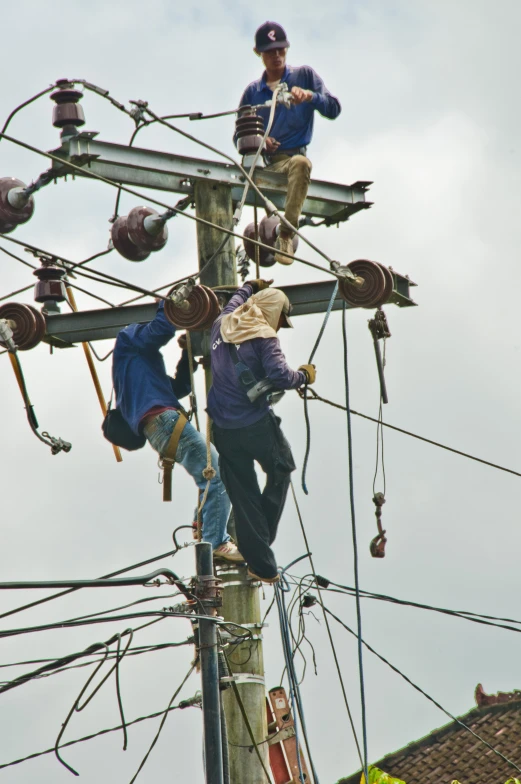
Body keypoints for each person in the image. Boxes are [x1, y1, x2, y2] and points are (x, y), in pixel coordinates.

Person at [112, 299, 242, 562]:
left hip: (161, 426)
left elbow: (180, 386)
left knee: (213, 475)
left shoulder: (141, 373)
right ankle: (217, 541)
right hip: (164, 421)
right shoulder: (129, 337)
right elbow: (160, 329)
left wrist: (187, 352)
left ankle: (204, 526)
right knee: (219, 475)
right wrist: (170, 305)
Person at [207, 279, 316, 583]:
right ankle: (259, 547)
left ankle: (261, 563)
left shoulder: (222, 324)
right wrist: (303, 377)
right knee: (281, 467)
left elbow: (234, 302)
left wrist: (248, 287)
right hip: (254, 425)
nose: (279, 325)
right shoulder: (264, 336)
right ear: (272, 311)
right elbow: (280, 375)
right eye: (281, 318)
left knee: (243, 493)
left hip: (224, 430)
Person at [236, 21, 341, 265]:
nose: (276, 55)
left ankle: (286, 233)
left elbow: (334, 108)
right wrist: (260, 141)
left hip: (292, 160)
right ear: (259, 54)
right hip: (264, 164)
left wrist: (311, 96)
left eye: (280, 50)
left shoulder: (304, 76)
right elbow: (238, 136)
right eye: (270, 51)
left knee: (301, 163)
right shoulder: (253, 93)